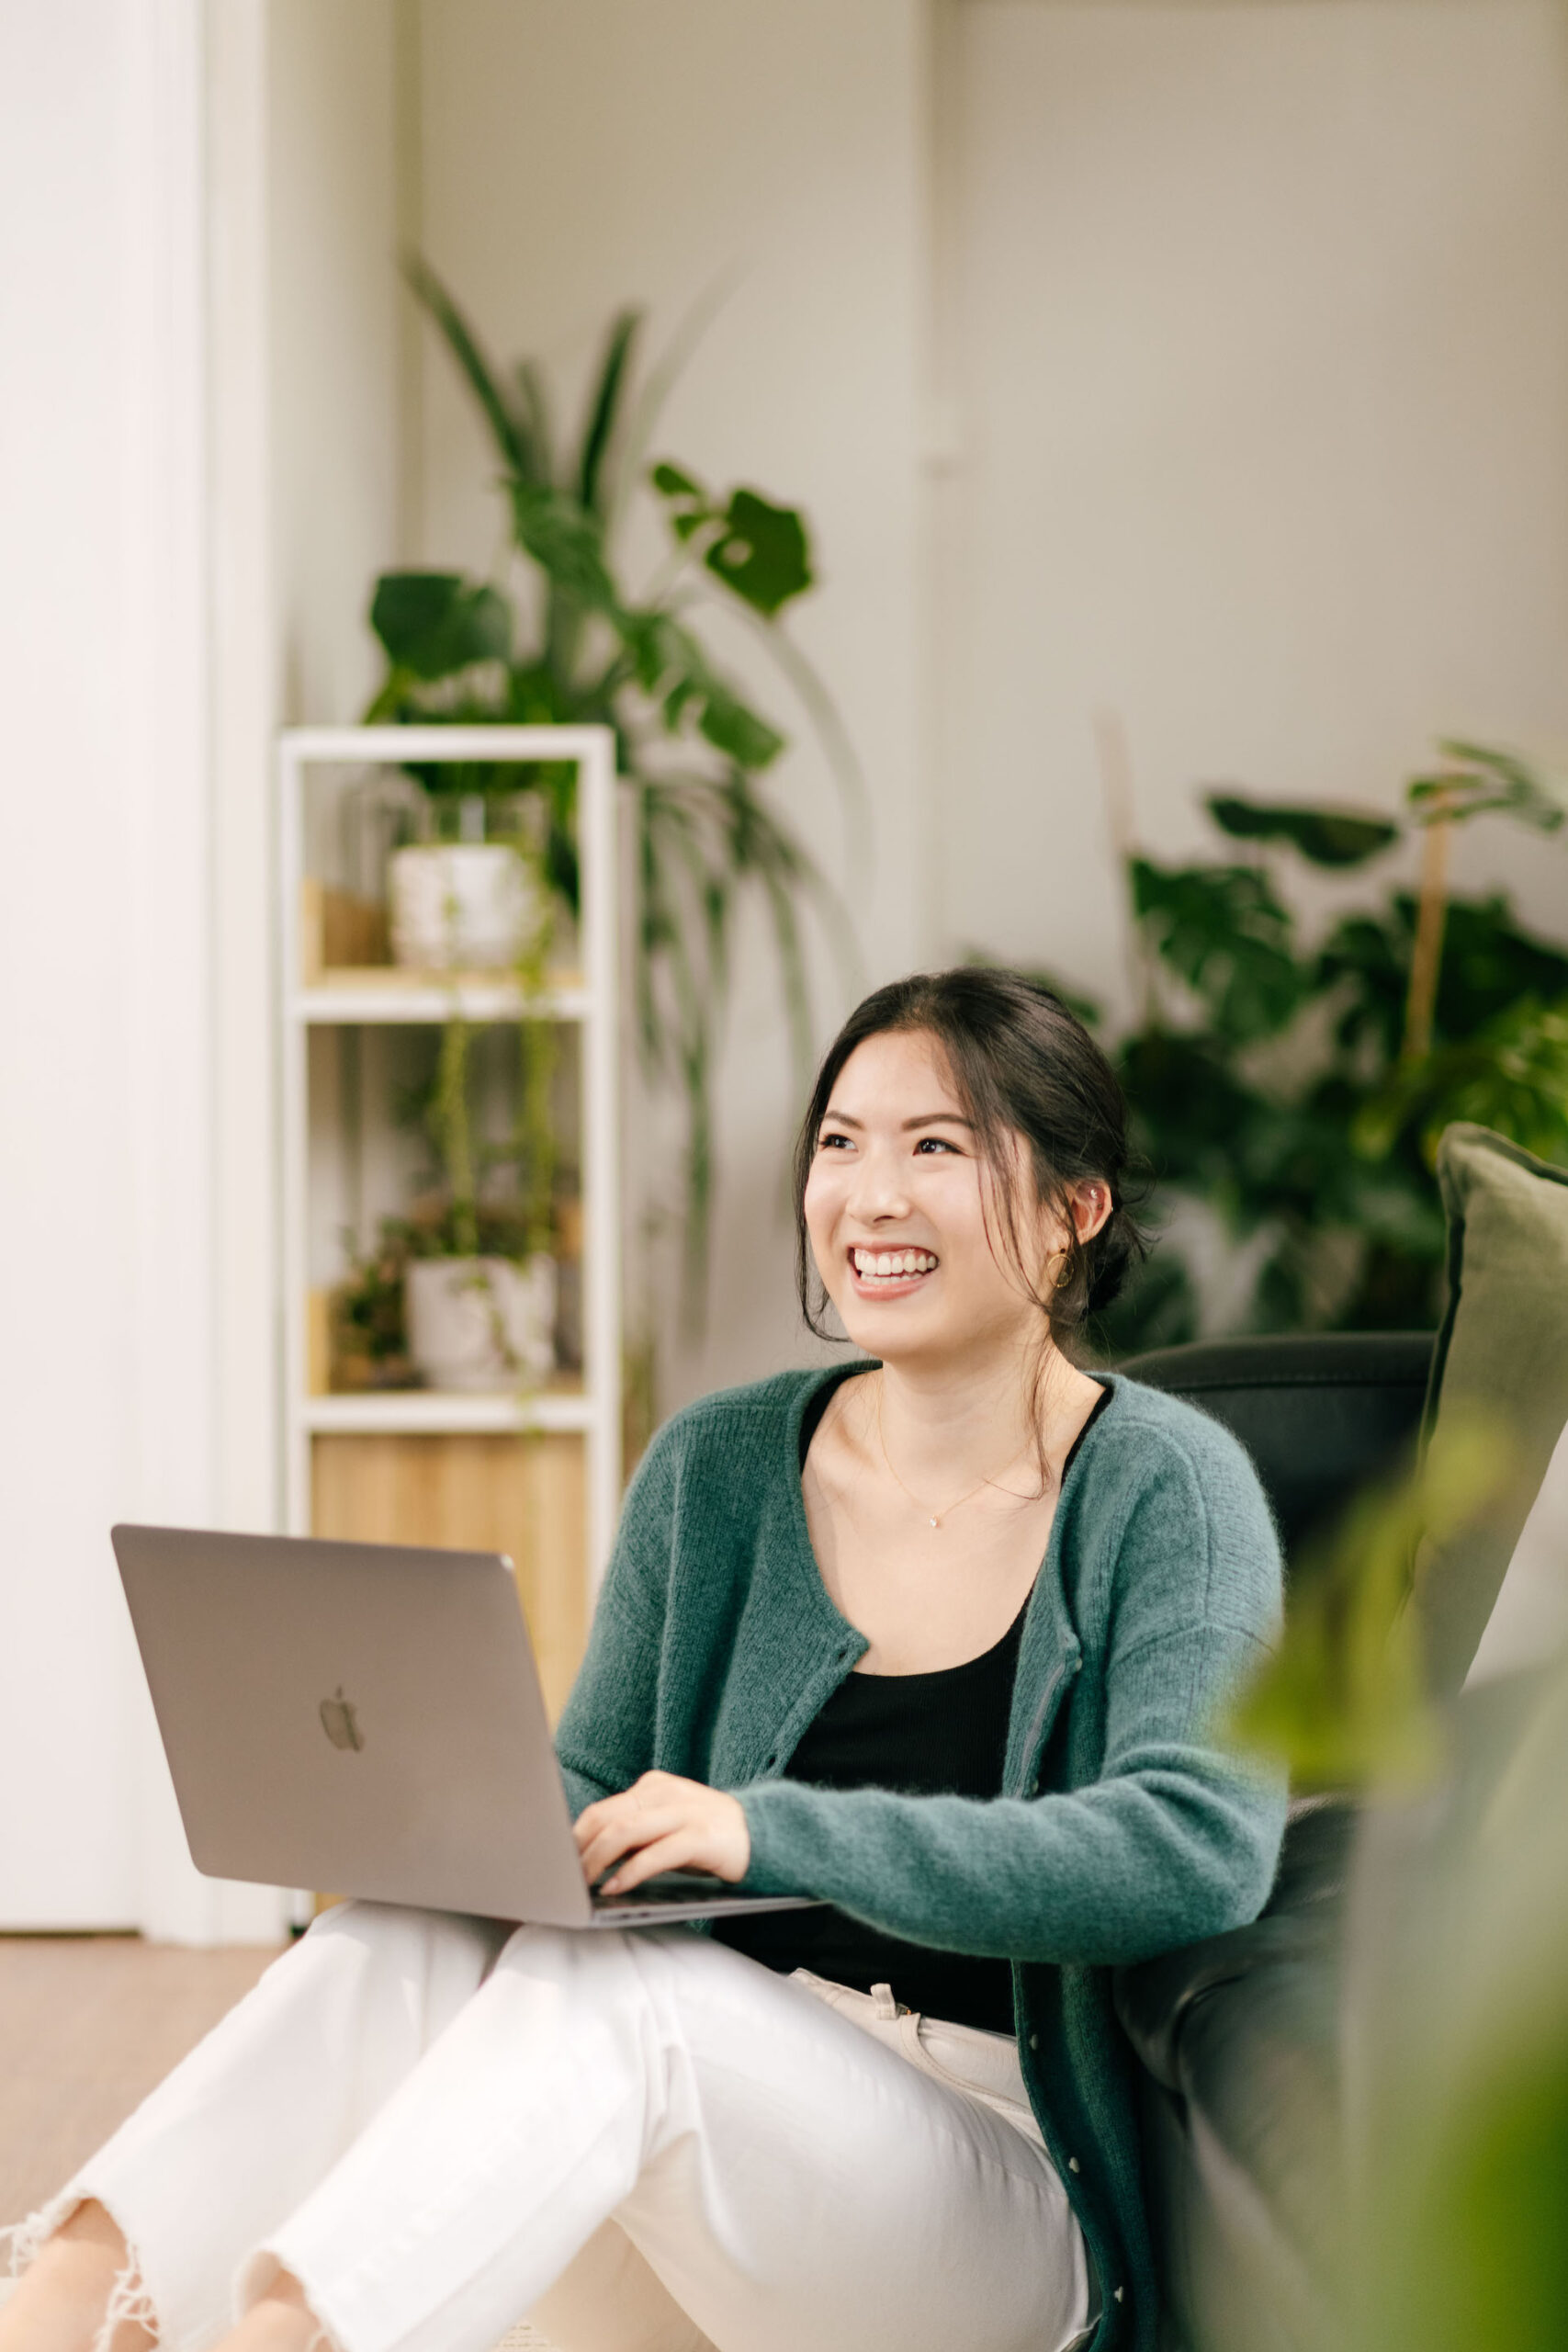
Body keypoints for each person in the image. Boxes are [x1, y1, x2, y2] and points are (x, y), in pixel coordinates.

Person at [2, 968, 1287, 2352]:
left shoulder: (1167, 1488)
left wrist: (765, 1831)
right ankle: (59, 2312)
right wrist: (461, 1827)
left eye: (938, 1147)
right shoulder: (719, 1466)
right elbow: (594, 1783)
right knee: (398, 1935)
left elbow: (1194, 1845)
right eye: (841, 1143)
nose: (872, 1196)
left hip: (992, 2197)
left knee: (644, 2007)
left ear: (1074, 1211)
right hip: (688, 2160)